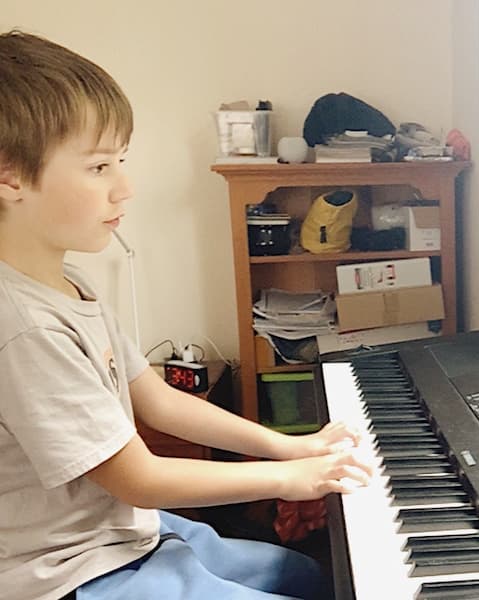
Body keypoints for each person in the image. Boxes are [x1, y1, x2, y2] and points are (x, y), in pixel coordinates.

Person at [0, 30, 373, 600]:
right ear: (11, 175)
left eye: (120, 161)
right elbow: (139, 478)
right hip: (71, 574)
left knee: (314, 577)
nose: (124, 188)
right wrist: (287, 478)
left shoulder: (69, 283)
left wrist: (286, 446)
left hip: (122, 535)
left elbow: (156, 400)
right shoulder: (23, 325)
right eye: (99, 167)